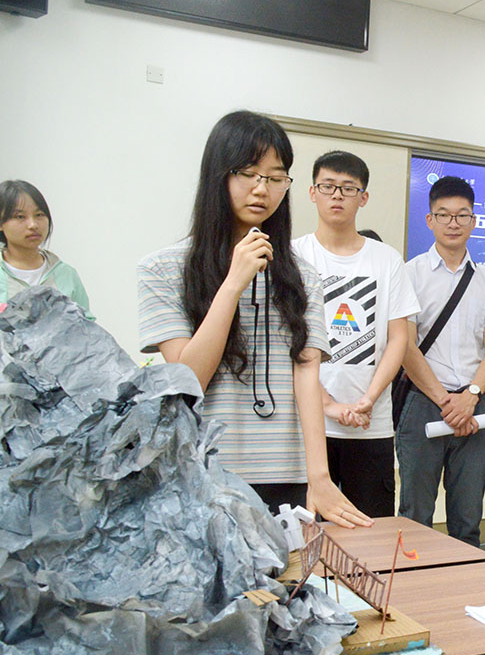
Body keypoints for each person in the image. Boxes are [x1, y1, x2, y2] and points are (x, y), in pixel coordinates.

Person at [137, 110, 372, 528]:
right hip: (203, 474)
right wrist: (233, 284)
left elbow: (306, 373)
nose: (262, 189)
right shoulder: (162, 269)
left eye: (276, 177)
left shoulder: (302, 277)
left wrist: (319, 476)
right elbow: (188, 380)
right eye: (248, 173)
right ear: (217, 175)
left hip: (287, 475)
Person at [292, 151, 420, 519]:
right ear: (312, 192)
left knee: (371, 530)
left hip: (370, 426)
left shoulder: (387, 259)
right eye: (328, 186)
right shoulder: (292, 256)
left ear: (363, 198)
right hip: (306, 425)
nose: (337, 195)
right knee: (305, 533)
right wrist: (328, 404)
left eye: (348, 188)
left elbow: (399, 339)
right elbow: (288, 344)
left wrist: (368, 399)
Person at [396, 175, 485, 547]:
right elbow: (406, 346)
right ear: (430, 220)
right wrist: (447, 401)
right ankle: (414, 584)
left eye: (462, 215)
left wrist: (470, 396)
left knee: (468, 518)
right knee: (415, 516)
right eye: (444, 215)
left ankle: (466, 583)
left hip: (474, 405)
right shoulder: (409, 274)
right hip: (423, 402)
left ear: (473, 221)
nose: (453, 223)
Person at [0, 180, 90, 315]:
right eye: (20, 216)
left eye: (39, 215)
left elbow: (85, 324)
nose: (33, 225)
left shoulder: (66, 274)